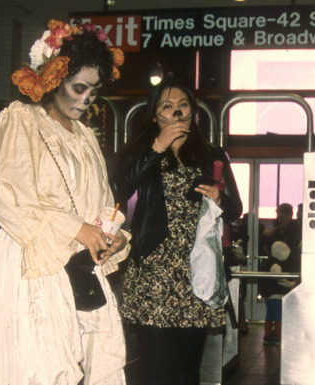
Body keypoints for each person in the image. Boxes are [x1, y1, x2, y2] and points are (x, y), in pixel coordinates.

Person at [0, 20, 130, 385]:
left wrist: (114, 236)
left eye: (93, 92)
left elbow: (102, 204)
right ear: (52, 80)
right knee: (40, 366)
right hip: (32, 259)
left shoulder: (84, 136)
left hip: (79, 266)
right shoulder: (20, 119)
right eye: (78, 88)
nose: (85, 100)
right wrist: (75, 228)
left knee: (88, 364)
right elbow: (6, 197)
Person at [111, 77, 242, 384]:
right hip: (154, 270)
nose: (177, 113)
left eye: (183, 105)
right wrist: (158, 145)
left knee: (187, 369)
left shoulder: (212, 154)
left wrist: (219, 198)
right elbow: (120, 185)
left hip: (198, 270)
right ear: (154, 114)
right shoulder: (143, 151)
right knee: (155, 367)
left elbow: (236, 208)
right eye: (167, 106)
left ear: (193, 112)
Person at [259, 240, 297, 345]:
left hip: (268, 294)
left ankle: (267, 336)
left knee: (270, 315)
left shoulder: (269, 262)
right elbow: (279, 280)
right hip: (276, 294)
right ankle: (279, 337)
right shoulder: (276, 265)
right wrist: (291, 284)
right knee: (278, 316)